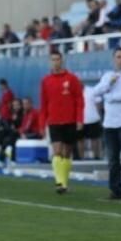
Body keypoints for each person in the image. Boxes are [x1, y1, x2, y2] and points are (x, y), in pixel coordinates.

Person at [91, 47, 121, 200]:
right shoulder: (108, 76)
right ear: (113, 59)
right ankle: (115, 190)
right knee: (112, 160)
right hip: (109, 123)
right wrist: (108, 85)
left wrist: (108, 97)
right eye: (118, 57)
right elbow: (95, 92)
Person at [38, 50, 83, 194]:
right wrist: (42, 123)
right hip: (54, 121)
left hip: (70, 120)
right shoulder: (45, 80)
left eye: (57, 59)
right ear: (50, 61)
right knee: (57, 151)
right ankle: (60, 182)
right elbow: (43, 103)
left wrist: (79, 119)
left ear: (61, 61)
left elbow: (79, 100)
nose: (55, 62)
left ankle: (64, 181)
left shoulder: (72, 78)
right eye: (53, 59)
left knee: (66, 153)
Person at [80, 73, 104, 160]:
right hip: (80, 120)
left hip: (93, 119)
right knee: (80, 140)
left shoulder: (92, 90)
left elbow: (99, 103)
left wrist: (100, 116)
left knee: (95, 139)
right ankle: (81, 158)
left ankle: (96, 156)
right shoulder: (74, 92)